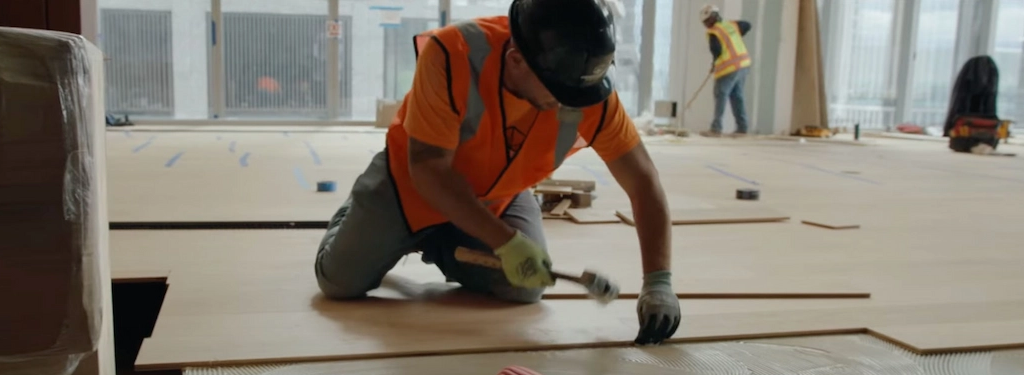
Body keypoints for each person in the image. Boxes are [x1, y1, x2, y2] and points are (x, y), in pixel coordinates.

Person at [313, 0, 681, 344]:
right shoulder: (451, 54)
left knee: (524, 288)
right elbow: (427, 169)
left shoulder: (584, 88)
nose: (568, 102)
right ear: (517, 60)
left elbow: (643, 181)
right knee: (340, 282)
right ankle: (358, 214)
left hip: (496, 195)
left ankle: (442, 243)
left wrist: (659, 282)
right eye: (557, 92)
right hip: (408, 185)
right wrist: (506, 242)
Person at [700, 4, 752, 137]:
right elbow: (747, 25)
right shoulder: (732, 25)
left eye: (707, 21)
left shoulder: (714, 32)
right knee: (737, 96)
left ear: (713, 18)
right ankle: (742, 128)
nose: (707, 25)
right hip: (743, 64)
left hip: (728, 68)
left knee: (720, 95)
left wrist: (714, 64)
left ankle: (716, 128)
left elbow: (716, 51)